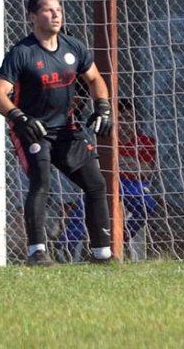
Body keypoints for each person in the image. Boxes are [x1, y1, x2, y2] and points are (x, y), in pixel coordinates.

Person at [0, 0, 114, 266]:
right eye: (48, 10)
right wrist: (20, 118)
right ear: (33, 17)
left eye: (58, 10)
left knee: (95, 184)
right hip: (33, 131)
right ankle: (37, 253)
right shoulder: (22, 52)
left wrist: (102, 106)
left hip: (66, 130)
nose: (55, 15)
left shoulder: (73, 47)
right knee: (41, 182)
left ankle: (102, 255)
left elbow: (95, 79)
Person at [58, 99, 158, 261]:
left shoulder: (145, 141)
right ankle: (65, 247)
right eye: (120, 118)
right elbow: (95, 165)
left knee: (148, 206)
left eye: (128, 118)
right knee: (87, 203)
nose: (124, 123)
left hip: (133, 184)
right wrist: (130, 163)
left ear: (135, 120)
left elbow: (146, 170)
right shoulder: (103, 138)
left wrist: (114, 160)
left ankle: (119, 239)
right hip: (105, 180)